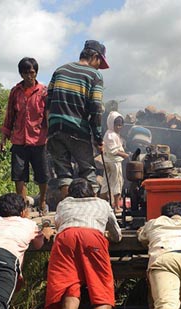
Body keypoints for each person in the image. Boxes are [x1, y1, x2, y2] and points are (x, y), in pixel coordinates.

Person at [44, 178, 122, 309]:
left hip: (65, 240)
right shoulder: (102, 204)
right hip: (92, 237)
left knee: (69, 301)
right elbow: (117, 234)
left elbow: (59, 223)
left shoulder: (64, 204)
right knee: (104, 291)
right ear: (93, 193)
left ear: (69, 193)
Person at [45, 40, 109, 198]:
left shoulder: (60, 70)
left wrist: (50, 129)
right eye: (99, 62)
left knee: (64, 174)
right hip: (77, 129)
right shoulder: (94, 75)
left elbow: (47, 102)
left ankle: (67, 212)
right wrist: (98, 138)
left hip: (55, 129)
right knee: (88, 171)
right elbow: (95, 107)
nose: (99, 66)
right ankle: (93, 213)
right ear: (94, 56)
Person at [0, 57, 50, 215]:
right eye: (26, 73)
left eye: (32, 72)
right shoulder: (15, 92)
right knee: (19, 175)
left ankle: (42, 202)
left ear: (36, 73)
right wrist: (3, 138)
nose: (29, 76)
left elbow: (47, 115)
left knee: (42, 175)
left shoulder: (43, 92)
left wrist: (52, 135)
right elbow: (10, 116)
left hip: (39, 139)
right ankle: (24, 207)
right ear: (21, 74)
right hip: (19, 139)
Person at [101, 111, 128, 212]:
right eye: (117, 125)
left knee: (106, 182)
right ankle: (116, 207)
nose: (119, 127)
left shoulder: (111, 134)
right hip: (114, 162)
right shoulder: (111, 135)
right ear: (112, 124)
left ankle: (104, 207)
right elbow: (113, 151)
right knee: (117, 182)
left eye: (121, 125)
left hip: (108, 161)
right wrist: (125, 155)